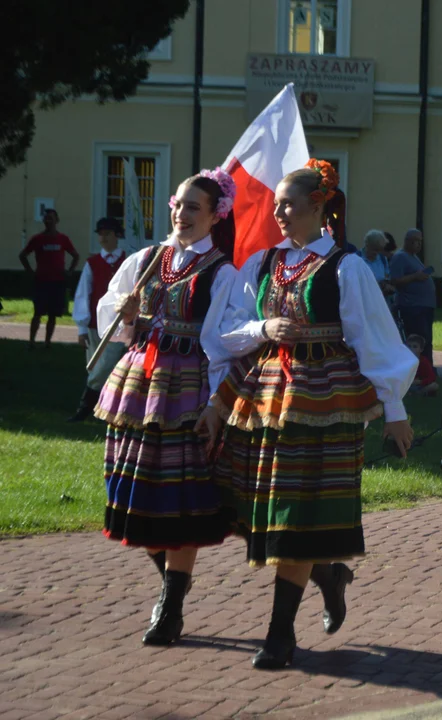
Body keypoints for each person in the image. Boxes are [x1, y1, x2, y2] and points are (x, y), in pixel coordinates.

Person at [200, 159, 417, 669]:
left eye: (289, 204)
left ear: (319, 206)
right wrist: (262, 329)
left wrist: (395, 410)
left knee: (295, 516)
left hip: (326, 399)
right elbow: (227, 330)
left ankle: (279, 635)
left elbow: (374, 340)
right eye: (276, 204)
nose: (279, 212)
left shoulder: (347, 266)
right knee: (269, 513)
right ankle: (326, 573)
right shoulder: (262, 263)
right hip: (267, 396)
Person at [94, 169, 239, 646]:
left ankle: (171, 605)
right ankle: (173, 582)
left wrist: (217, 403)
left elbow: (226, 344)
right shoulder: (147, 258)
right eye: (177, 204)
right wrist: (128, 316)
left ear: (216, 215)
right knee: (137, 492)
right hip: (139, 387)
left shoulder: (222, 273)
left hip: (188, 389)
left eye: (192, 206)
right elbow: (113, 319)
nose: (180, 213)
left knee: (179, 498)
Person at [68, 217, 128, 422]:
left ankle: (84, 407)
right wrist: (82, 328)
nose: (103, 238)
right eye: (100, 234)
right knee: (95, 367)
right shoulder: (92, 263)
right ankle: (104, 410)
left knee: (106, 366)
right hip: (95, 325)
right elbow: (83, 294)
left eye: (107, 233)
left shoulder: (127, 261)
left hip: (118, 326)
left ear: (116, 236)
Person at [19, 208, 80, 350]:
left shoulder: (63, 239)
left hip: (57, 281)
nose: (48, 221)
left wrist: (70, 271)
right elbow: (23, 255)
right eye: (46, 219)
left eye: (51, 218)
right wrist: (30, 271)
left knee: (53, 314)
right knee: (37, 313)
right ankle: (32, 342)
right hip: (41, 281)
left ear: (57, 221)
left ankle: (47, 343)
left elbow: (75, 255)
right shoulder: (37, 239)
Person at [390, 228, 436, 363]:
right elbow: (395, 280)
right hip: (412, 306)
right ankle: (418, 369)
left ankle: (427, 369)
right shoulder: (400, 257)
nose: (419, 245)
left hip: (424, 305)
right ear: (408, 241)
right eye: (416, 241)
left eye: (420, 241)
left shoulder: (414, 257)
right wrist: (415, 276)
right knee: (418, 339)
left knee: (426, 340)